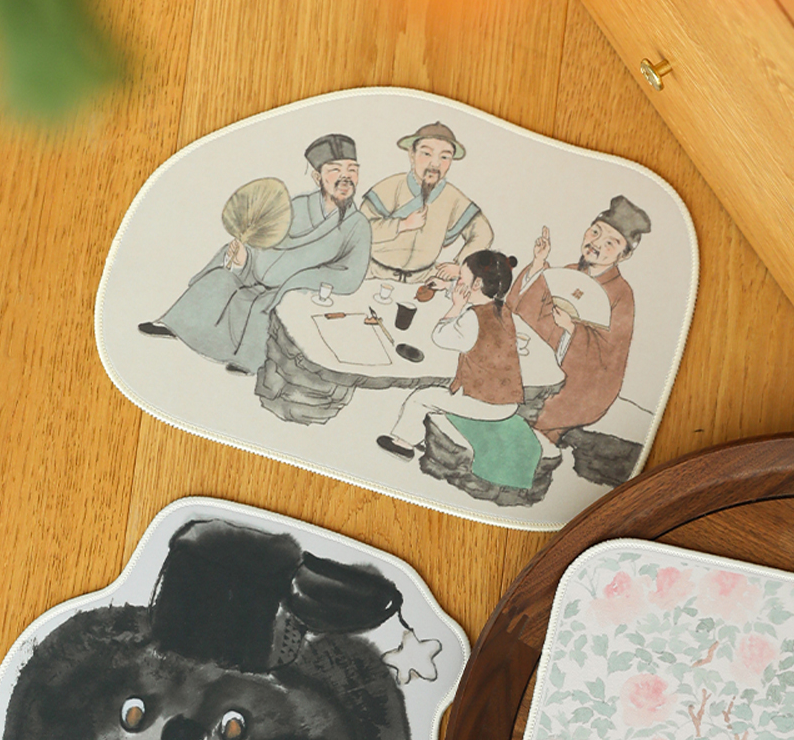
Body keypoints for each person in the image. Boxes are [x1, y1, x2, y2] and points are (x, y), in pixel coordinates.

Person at [141, 134, 371, 374]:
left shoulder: (357, 225)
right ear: (318, 177)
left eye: (352, 170)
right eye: (335, 170)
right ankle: (176, 325)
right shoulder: (297, 205)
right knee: (220, 279)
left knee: (266, 308)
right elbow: (264, 238)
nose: (345, 177)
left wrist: (298, 281)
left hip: (296, 290)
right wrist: (245, 259)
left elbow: (351, 275)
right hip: (258, 274)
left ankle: (248, 361)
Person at [376, 249, 543, 489]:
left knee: (421, 398)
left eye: (462, 279)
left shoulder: (471, 319)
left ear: (476, 284)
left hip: (486, 402)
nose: (458, 283)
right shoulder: (501, 310)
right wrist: (447, 287)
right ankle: (421, 436)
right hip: (507, 399)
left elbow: (441, 336)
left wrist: (455, 307)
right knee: (438, 392)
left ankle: (404, 444)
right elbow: (472, 299)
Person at [506, 195, 650, 461]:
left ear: (624, 254)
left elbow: (609, 357)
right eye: (595, 232)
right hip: (536, 365)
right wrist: (538, 264)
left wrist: (573, 331)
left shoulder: (621, 295)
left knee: (528, 425)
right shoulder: (570, 271)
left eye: (610, 243)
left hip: (577, 383)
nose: (596, 243)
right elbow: (521, 312)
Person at [360, 121, 493, 286]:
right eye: (427, 154)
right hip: (374, 272)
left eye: (444, 157)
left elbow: (483, 233)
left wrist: (460, 265)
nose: (435, 164)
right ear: (412, 154)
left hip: (424, 279)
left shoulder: (454, 198)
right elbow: (360, 229)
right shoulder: (390, 187)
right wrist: (402, 225)